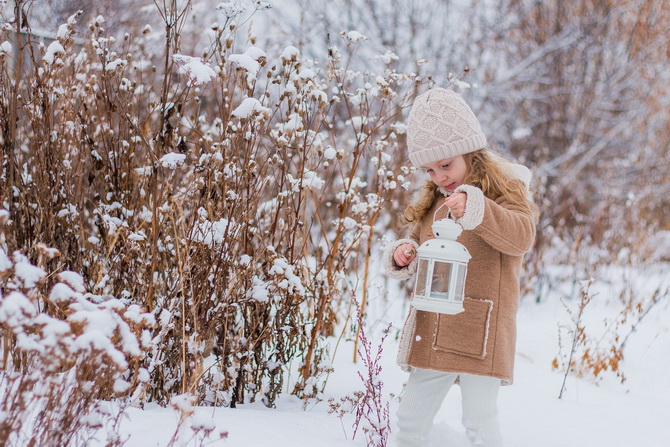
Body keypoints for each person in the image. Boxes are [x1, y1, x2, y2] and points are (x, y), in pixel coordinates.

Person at [383, 88, 538, 447]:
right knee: (410, 416)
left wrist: (477, 208)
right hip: (435, 325)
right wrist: (404, 253)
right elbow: (422, 246)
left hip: (482, 328)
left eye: (446, 164)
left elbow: (522, 237)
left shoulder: (505, 192)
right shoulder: (435, 201)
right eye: (429, 169)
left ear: (471, 152)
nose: (439, 176)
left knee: (479, 419)